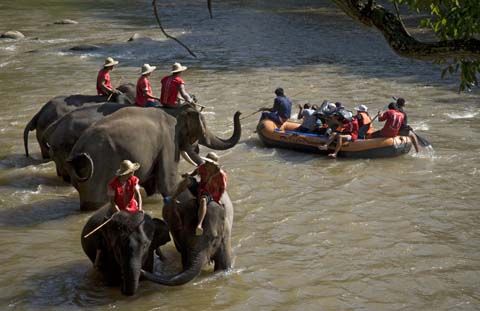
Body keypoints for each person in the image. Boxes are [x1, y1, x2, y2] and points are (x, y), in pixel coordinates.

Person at [169, 152, 227, 236]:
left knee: (203, 200)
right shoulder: (203, 167)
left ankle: (199, 224)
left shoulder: (221, 175)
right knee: (188, 181)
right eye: (206, 162)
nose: (206, 164)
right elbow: (196, 171)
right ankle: (173, 197)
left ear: (214, 165)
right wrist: (189, 175)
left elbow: (222, 188)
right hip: (200, 189)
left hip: (211, 194)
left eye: (208, 163)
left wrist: (218, 199)